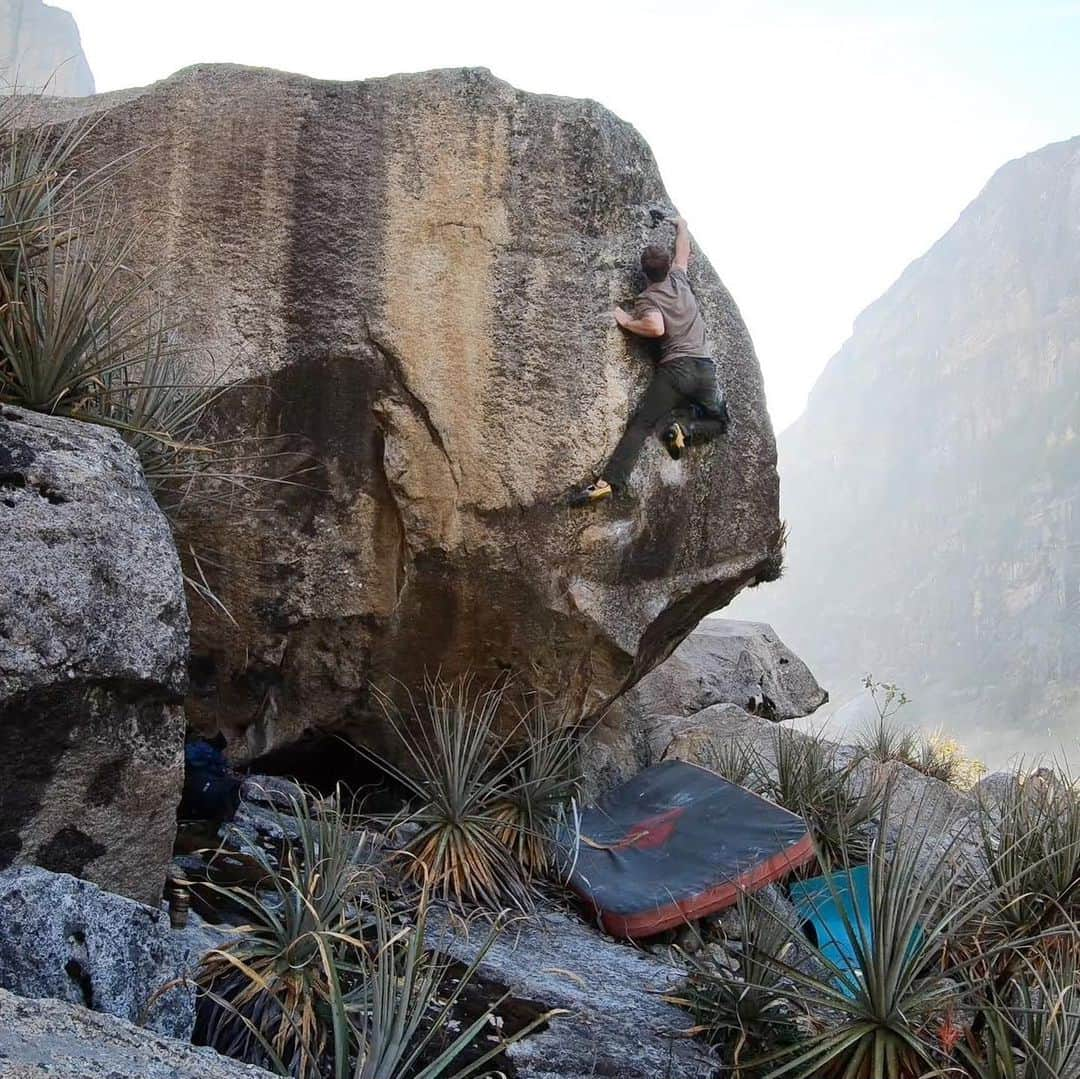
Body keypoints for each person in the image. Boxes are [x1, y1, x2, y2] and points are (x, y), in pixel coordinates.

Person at [570, 215, 728, 506]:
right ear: (668, 267)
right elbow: (683, 250)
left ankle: (606, 484)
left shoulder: (647, 298)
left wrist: (627, 321)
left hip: (675, 372)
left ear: (643, 273)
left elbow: (656, 328)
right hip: (704, 370)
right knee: (719, 421)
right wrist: (682, 225)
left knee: (642, 425)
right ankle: (686, 429)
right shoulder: (680, 278)